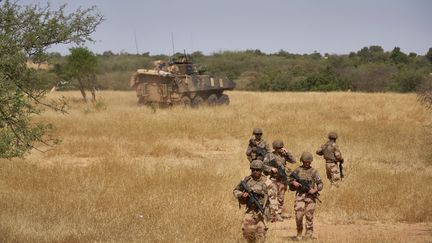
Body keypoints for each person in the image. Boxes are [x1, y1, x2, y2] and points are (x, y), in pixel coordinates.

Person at [289, 152, 323, 240]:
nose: (307, 163)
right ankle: (299, 232)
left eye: (308, 162)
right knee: (298, 215)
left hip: (310, 197)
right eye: (305, 162)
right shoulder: (297, 170)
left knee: (309, 216)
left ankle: (308, 234)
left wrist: (315, 190)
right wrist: (293, 182)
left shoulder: (314, 171)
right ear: (302, 161)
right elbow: (289, 178)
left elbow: (320, 184)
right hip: (300, 196)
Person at [233, 160, 268, 243]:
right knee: (247, 233)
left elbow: (273, 194)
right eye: (253, 170)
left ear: (261, 170)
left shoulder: (267, 181)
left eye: (257, 170)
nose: (255, 172)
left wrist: (258, 191)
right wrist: (242, 194)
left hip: (262, 211)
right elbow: (235, 191)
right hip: (249, 211)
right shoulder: (246, 180)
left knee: (261, 234)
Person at [263, 139, 296, 222]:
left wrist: (287, 153)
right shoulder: (269, 155)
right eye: (278, 148)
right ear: (274, 148)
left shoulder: (284, 155)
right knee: (273, 196)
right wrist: (271, 168)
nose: (280, 149)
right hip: (273, 179)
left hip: (282, 179)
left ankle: (279, 213)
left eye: (281, 147)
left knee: (281, 198)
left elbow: (293, 161)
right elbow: (263, 165)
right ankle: (274, 214)